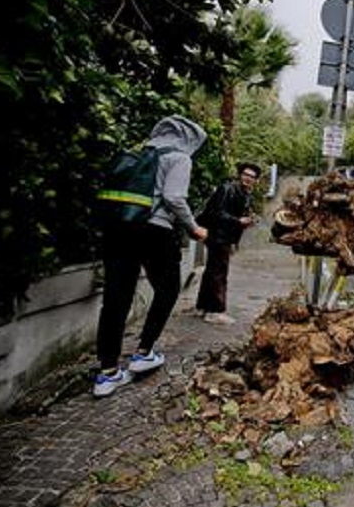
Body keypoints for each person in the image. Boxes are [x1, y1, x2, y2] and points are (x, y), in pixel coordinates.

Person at [94, 115, 209, 398]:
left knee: (115, 298)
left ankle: (107, 373)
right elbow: (173, 197)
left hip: (119, 228)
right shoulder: (180, 158)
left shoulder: (140, 154)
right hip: (154, 230)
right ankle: (144, 352)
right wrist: (193, 227)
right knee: (169, 288)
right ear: (190, 138)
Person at [195, 162, 261, 325]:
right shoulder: (227, 189)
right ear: (240, 175)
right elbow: (216, 212)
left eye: (252, 177)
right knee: (219, 272)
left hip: (224, 236)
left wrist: (247, 219)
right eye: (246, 175)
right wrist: (238, 221)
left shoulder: (244, 193)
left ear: (256, 180)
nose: (248, 178)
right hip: (218, 236)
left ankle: (204, 306)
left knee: (212, 271)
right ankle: (215, 311)